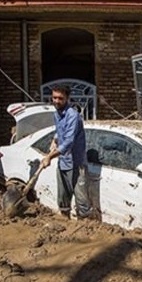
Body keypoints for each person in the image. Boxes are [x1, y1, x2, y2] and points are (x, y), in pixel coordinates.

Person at [41, 85, 92, 219]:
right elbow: (59, 132)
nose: (56, 101)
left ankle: (87, 228)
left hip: (76, 164)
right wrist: (55, 140)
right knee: (63, 198)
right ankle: (65, 223)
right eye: (54, 98)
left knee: (81, 200)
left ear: (67, 99)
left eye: (60, 98)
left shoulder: (73, 116)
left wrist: (49, 157)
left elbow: (69, 142)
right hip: (63, 162)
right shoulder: (56, 114)